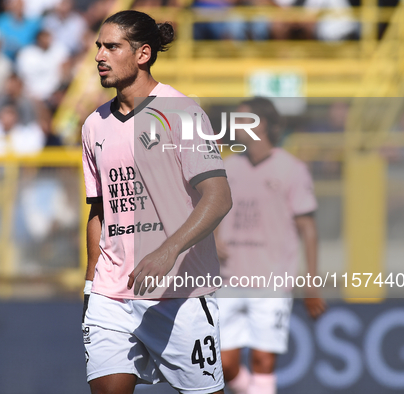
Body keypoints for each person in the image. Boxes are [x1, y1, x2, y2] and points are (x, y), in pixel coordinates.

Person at [81, 10, 232, 394]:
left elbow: (218, 198)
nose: (100, 55)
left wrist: (168, 251)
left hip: (178, 294)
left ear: (143, 54)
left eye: (112, 46)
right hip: (110, 294)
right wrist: (89, 285)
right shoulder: (93, 125)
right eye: (99, 45)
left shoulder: (182, 111)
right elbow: (99, 211)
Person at [214, 97, 326, 394]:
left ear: (259, 125)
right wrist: (213, 239)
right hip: (228, 279)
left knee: (264, 361)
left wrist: (311, 281)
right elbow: (207, 214)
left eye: (240, 120)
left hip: (272, 281)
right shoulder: (226, 168)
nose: (233, 126)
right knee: (223, 366)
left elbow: (308, 229)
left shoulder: (292, 169)